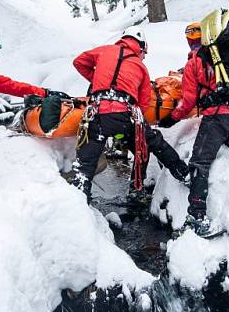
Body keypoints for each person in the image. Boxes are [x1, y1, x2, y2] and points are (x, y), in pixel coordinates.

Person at [72, 27, 189, 203]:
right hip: (125, 115)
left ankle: (77, 201)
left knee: (86, 164)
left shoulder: (103, 51)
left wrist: (97, 80)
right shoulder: (140, 67)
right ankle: (180, 175)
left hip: (97, 114)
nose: (144, 56)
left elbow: (79, 62)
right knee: (151, 144)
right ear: (140, 47)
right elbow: (143, 101)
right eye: (144, 53)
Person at [157, 22, 229, 237]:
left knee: (199, 162)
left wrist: (172, 118)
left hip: (217, 115)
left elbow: (188, 101)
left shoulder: (194, 63)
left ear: (190, 40)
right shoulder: (225, 56)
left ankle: (197, 217)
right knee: (213, 142)